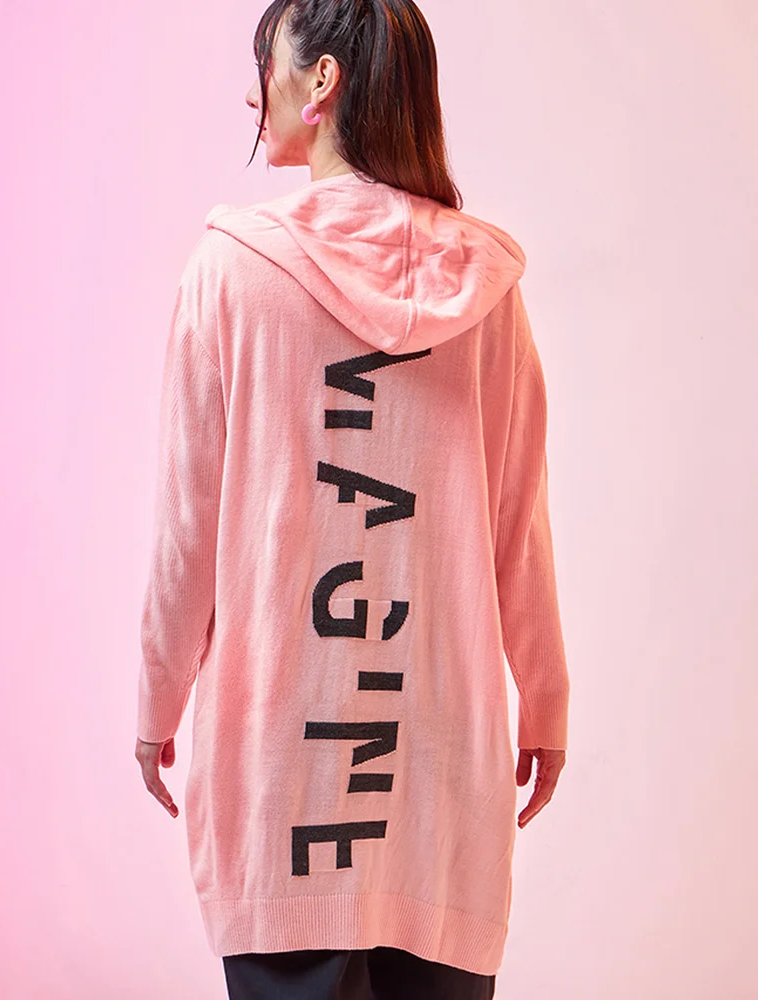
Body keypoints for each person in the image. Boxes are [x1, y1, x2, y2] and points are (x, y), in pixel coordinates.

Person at [134, 0, 570, 996]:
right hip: (437, 784)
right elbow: (520, 526)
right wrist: (543, 700)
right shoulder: (483, 289)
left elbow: (187, 530)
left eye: (268, 60)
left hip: (283, 785)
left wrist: (157, 700)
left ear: (321, 80)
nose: (254, 91)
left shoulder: (231, 275)